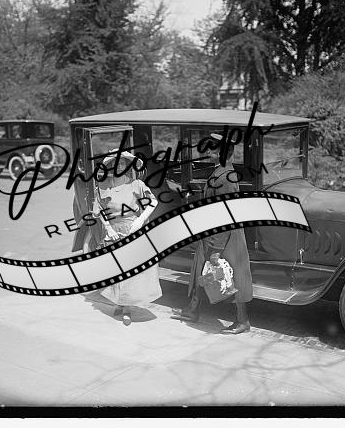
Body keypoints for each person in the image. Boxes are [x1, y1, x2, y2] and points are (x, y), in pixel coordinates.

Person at [171, 133, 253, 334]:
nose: (208, 151)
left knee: (231, 276)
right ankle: (192, 309)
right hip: (214, 234)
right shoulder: (220, 172)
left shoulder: (225, 178)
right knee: (202, 270)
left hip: (225, 237)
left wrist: (216, 248)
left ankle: (242, 321)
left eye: (213, 149)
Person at [95, 151, 162, 326]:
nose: (119, 166)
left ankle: (126, 308)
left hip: (131, 230)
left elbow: (153, 202)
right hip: (113, 232)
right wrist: (108, 228)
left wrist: (139, 221)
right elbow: (99, 209)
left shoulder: (135, 184)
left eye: (123, 163)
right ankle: (119, 302)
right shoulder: (104, 186)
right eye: (116, 163)